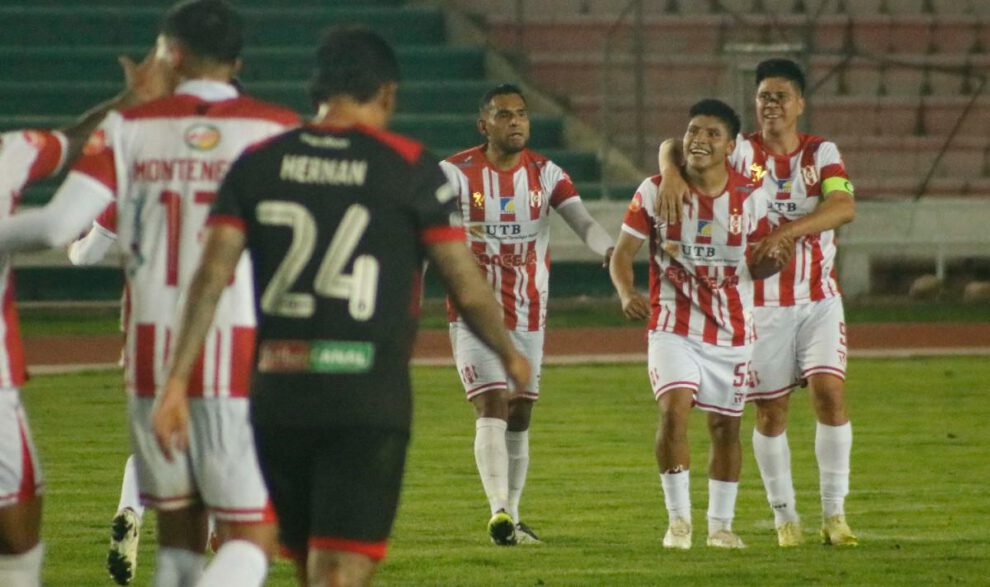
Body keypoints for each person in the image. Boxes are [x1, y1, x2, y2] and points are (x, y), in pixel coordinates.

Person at [150, 27, 530, 586]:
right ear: (388, 94)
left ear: (315, 89)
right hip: (366, 399)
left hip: (278, 396)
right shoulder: (409, 167)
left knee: (308, 568)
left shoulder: (258, 163)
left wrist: (175, 381)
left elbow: (208, 277)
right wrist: (509, 353)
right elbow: (464, 284)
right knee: (340, 574)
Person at [0, 1, 301, 585]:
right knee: (250, 538)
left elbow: (64, 231)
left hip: (150, 355)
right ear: (237, 58)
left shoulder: (129, 128)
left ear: (172, 55)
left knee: (178, 543)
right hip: (239, 349)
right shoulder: (276, 128)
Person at [657, 58, 858, 547]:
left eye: (781, 96)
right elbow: (674, 145)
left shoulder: (820, 153)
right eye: (764, 96)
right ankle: (786, 516)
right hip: (760, 306)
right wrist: (668, 171)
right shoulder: (739, 150)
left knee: (829, 394)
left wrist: (786, 231)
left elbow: (843, 206)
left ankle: (836, 515)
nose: (771, 104)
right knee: (770, 414)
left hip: (817, 299)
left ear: (800, 104)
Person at [0, 51, 166, 587]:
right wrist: (132, 100)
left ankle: (132, 509)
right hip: (224, 329)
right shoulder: (9, 155)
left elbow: (78, 249)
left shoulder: (133, 188)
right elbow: (72, 139)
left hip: (147, 329)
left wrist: (71, 239)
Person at [610, 99, 793, 550]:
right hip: (673, 326)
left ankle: (720, 526)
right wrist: (626, 293)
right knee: (673, 410)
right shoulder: (655, 190)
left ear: (731, 146)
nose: (700, 140)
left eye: (713, 134)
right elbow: (621, 254)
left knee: (725, 428)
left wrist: (774, 262)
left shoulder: (752, 197)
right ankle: (678, 523)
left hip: (732, 333)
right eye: (694, 131)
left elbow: (758, 265)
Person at [440, 84, 615, 546]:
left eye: (521, 114)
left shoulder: (546, 173)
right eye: (504, 115)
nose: (515, 121)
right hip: (473, 316)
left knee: (520, 414)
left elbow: (584, 223)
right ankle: (497, 509)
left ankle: (511, 521)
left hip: (529, 316)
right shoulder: (454, 173)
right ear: (484, 125)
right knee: (492, 403)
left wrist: (611, 250)